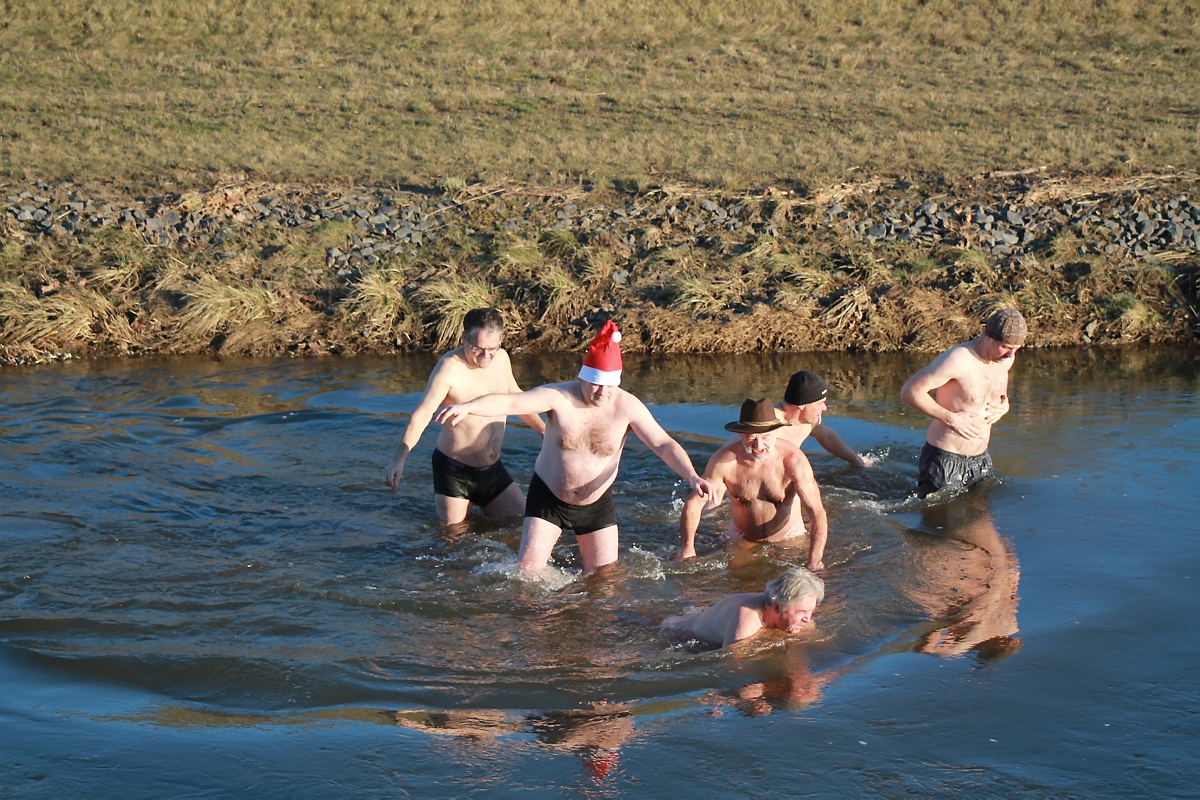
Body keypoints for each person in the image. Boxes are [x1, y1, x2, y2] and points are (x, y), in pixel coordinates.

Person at [434, 320, 712, 574]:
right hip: (549, 499)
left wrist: (692, 475)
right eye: (594, 384)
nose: (601, 393)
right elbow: (511, 402)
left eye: (608, 386)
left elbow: (663, 444)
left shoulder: (627, 406)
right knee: (527, 576)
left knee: (604, 582)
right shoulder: (558, 396)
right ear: (582, 377)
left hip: (596, 505)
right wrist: (470, 406)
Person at [383, 307, 545, 525]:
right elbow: (422, 413)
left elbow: (516, 399)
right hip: (454, 472)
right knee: (455, 541)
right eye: (478, 349)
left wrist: (544, 431)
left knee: (523, 523)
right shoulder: (450, 368)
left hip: (492, 470)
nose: (485, 356)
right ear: (464, 339)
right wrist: (398, 458)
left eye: (492, 348)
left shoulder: (502, 359)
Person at [676, 398, 828, 571]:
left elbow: (817, 512)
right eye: (751, 438)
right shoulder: (725, 461)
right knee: (736, 582)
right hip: (742, 539)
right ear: (740, 434)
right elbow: (695, 502)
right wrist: (687, 548)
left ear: (777, 431)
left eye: (765, 437)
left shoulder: (793, 461)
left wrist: (815, 560)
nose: (759, 445)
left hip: (789, 539)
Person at [900, 307, 1027, 498]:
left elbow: (995, 395)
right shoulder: (958, 360)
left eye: (1016, 349)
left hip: (981, 460)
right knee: (940, 526)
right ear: (989, 337)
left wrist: (1004, 407)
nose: (1010, 355)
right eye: (1007, 348)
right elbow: (910, 391)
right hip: (945, 460)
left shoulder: (1004, 360)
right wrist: (951, 418)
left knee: (983, 524)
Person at [661, 567, 825, 648]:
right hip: (677, 633)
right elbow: (731, 668)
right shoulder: (746, 624)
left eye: (810, 612)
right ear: (776, 607)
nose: (807, 619)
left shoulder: (799, 620)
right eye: (802, 612)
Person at [745, 370, 873, 467]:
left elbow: (827, 437)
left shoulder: (808, 420)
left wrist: (856, 460)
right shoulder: (766, 426)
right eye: (819, 403)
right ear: (802, 405)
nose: (824, 408)